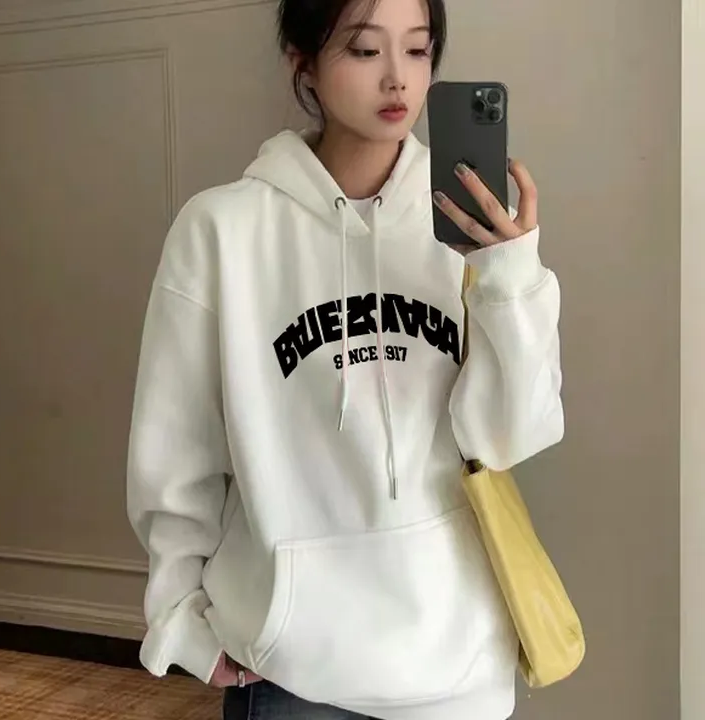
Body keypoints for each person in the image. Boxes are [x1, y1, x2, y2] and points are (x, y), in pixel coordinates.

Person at [126, 0, 564, 718]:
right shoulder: (221, 231)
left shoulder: (469, 233)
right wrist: (179, 616)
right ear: (303, 63)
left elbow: (509, 437)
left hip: (458, 664)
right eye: (365, 50)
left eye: (417, 50)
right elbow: (176, 447)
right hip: (292, 670)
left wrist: (510, 277)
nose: (398, 78)